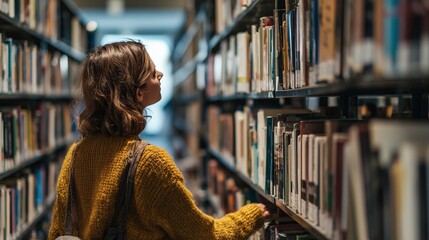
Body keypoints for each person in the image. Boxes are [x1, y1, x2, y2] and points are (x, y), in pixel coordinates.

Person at [48, 40, 269, 239]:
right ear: (138, 93)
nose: (161, 74)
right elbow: (206, 235)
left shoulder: (76, 154)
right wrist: (254, 214)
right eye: (153, 73)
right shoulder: (151, 162)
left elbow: (58, 231)